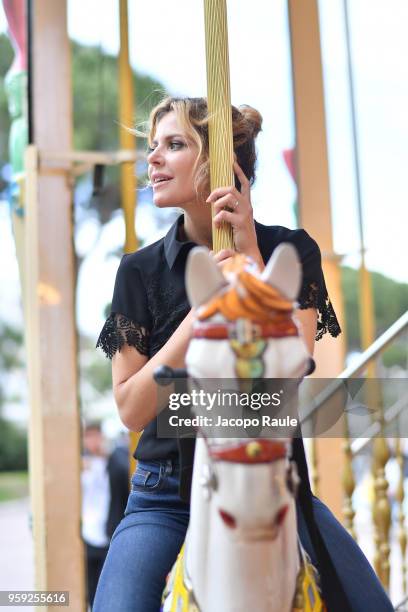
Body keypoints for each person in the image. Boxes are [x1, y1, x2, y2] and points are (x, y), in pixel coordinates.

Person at [94, 97, 392, 612]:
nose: (154, 160)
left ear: (221, 162)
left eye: (175, 145)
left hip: (270, 484)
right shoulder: (138, 272)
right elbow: (130, 409)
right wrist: (204, 317)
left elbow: (288, 377)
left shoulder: (290, 253)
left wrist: (252, 263)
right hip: (164, 496)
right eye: (152, 147)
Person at [81, 422, 129, 609]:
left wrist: (107, 456)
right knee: (90, 585)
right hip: (87, 531)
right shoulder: (79, 463)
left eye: (96, 436)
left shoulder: (114, 459)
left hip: (108, 530)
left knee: (106, 583)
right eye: (89, 437)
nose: (93, 441)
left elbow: (124, 472)